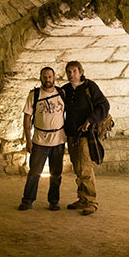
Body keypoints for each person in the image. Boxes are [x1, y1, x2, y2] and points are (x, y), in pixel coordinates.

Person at [62, 61, 110, 215]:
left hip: (85, 135)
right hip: (71, 134)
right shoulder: (66, 90)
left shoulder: (90, 87)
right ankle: (82, 198)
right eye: (68, 72)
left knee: (85, 168)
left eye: (74, 71)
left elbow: (103, 105)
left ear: (81, 72)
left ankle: (91, 201)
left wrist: (89, 120)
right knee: (77, 167)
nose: (71, 74)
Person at [18, 67, 66, 211]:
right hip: (40, 140)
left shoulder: (61, 93)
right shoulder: (34, 95)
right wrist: (28, 139)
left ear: (54, 77)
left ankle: (54, 201)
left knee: (56, 173)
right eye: (45, 77)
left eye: (50, 77)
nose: (47, 79)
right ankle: (27, 200)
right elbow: (27, 118)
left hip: (58, 140)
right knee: (34, 172)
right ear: (40, 77)